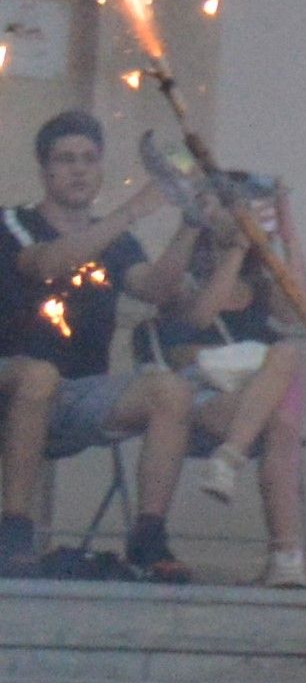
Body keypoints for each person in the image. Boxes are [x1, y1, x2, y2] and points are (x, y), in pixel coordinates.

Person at [1, 110, 190, 574]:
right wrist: (136, 207)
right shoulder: (14, 222)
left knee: (170, 389)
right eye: (66, 160)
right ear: (44, 170)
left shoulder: (116, 239)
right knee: (39, 376)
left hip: (81, 393)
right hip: (11, 380)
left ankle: (148, 539)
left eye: (88, 159)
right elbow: (50, 263)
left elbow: (155, 288)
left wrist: (193, 220)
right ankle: (13, 532)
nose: (79, 169)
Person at [150, 165, 306, 583]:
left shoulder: (261, 282)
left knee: (284, 382)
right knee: (281, 386)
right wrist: (234, 249)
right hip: (196, 401)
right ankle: (286, 557)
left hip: (250, 409)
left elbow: (300, 310)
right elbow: (198, 317)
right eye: (234, 207)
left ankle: (230, 463)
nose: (241, 216)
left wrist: (286, 232)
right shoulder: (183, 275)